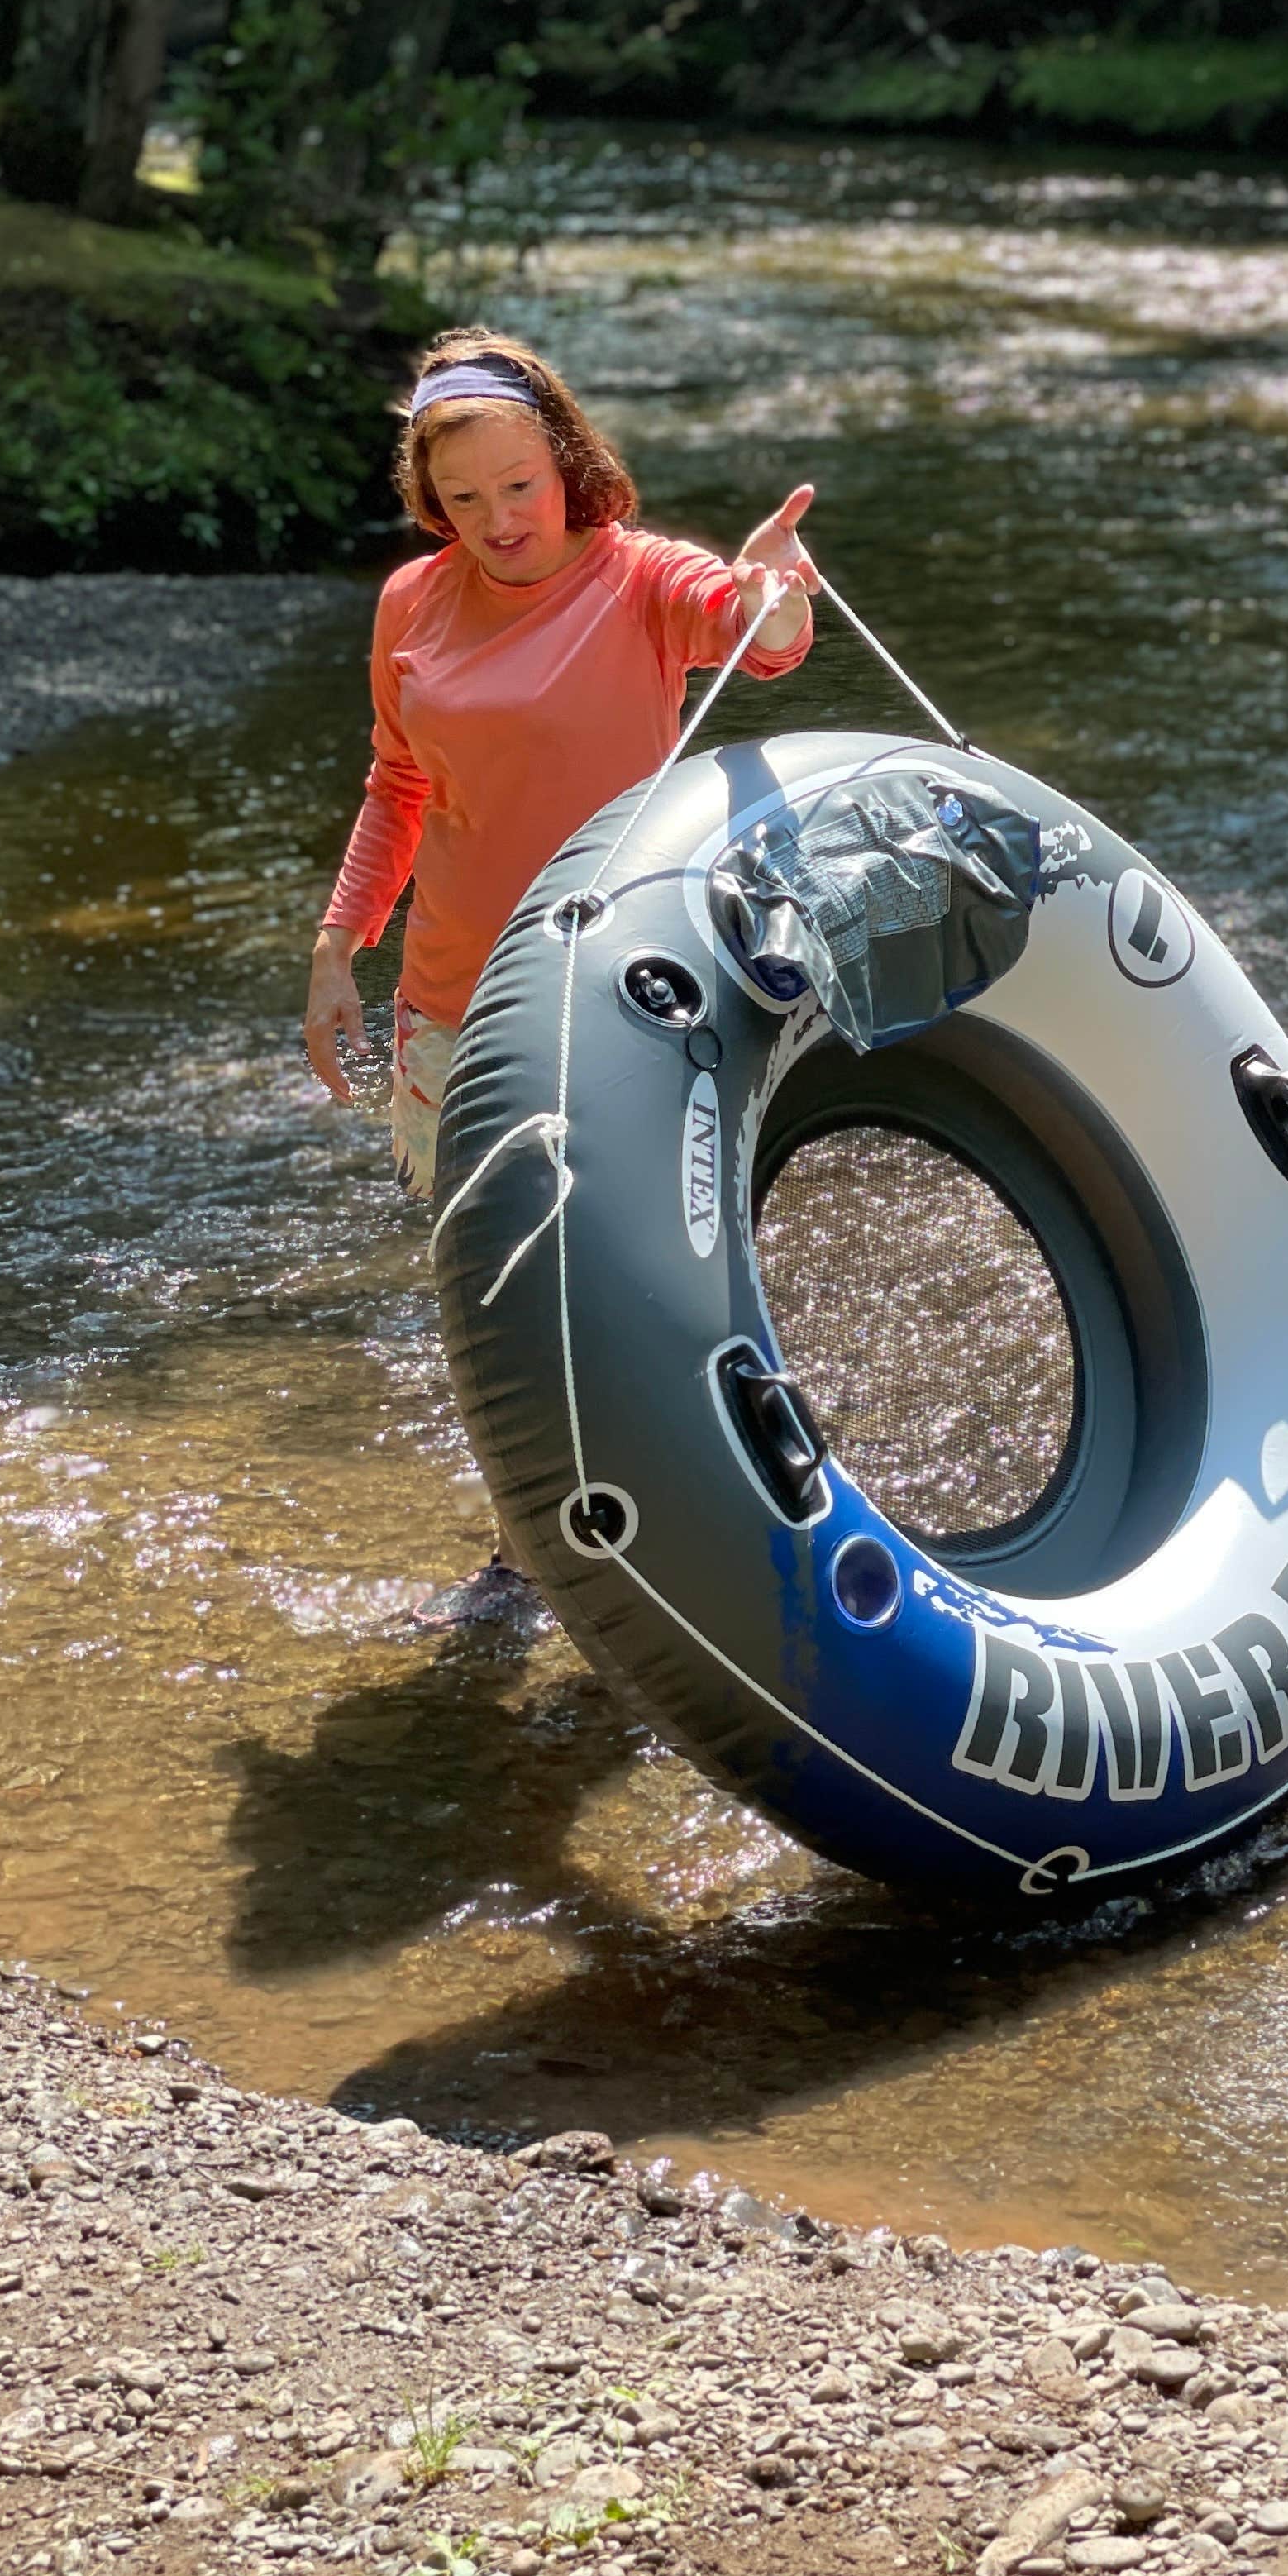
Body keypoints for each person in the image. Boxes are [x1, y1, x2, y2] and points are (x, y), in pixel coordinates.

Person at [304, 327, 818, 1614]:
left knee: (636, 1293)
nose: (499, 522)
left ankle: (704, 1540)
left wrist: (777, 591)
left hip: (618, 1001)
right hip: (451, 1006)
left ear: (568, 463)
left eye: (521, 487)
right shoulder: (409, 602)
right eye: (464, 499)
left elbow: (755, 636)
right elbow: (397, 782)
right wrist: (335, 945)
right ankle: (526, 1556)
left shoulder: (639, 578)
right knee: (495, 1301)